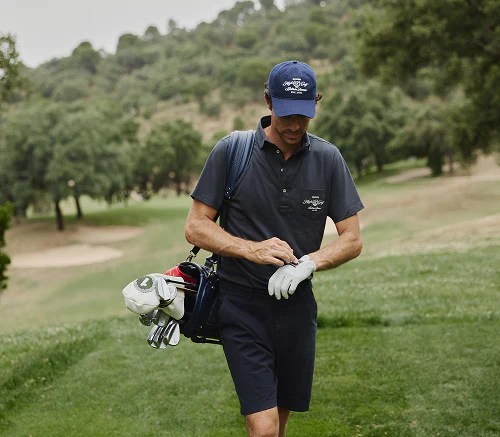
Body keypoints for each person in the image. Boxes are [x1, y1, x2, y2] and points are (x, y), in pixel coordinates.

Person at [185, 60, 364, 437]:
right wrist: (252, 250)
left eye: (304, 115)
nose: (295, 125)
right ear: (268, 101)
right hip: (241, 306)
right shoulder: (231, 151)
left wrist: (309, 263)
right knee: (263, 427)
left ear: (315, 104)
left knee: (279, 424)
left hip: (296, 308)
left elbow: (352, 239)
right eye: (286, 114)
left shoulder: (328, 159)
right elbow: (196, 227)